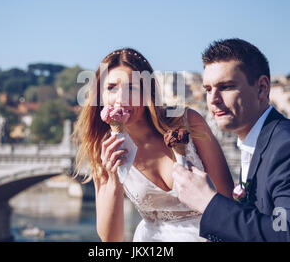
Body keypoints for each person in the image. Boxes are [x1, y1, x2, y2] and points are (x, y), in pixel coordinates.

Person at [172, 38, 290, 241]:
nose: (213, 99)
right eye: (208, 89)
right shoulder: (257, 142)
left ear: (262, 88)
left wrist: (208, 202)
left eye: (226, 87)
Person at [73, 48, 234, 242]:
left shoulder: (188, 121)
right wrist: (115, 178)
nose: (121, 99)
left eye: (131, 87)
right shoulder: (104, 149)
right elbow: (111, 239)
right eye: (111, 87)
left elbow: (227, 198)